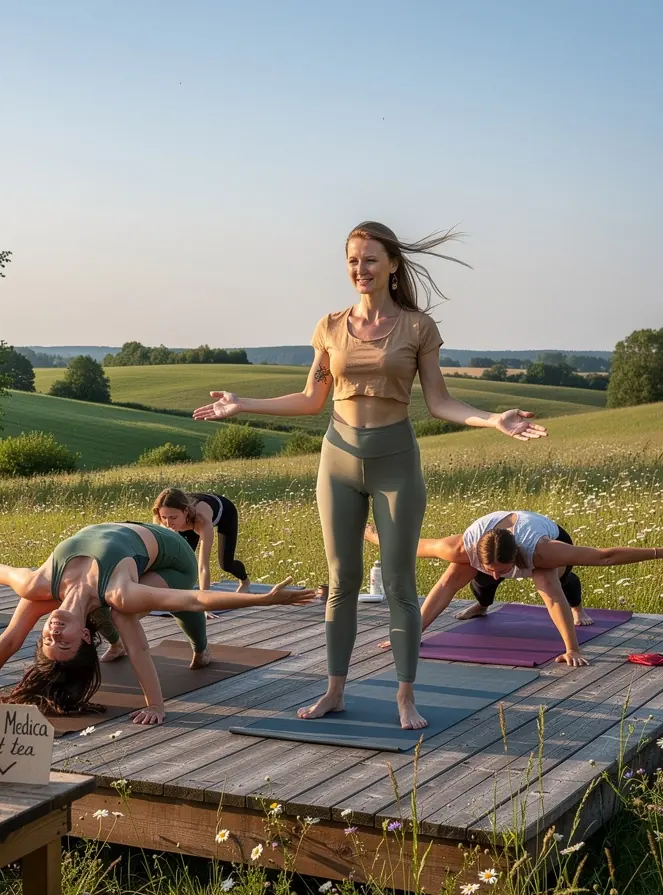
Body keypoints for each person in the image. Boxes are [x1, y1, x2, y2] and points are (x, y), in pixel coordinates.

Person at [193, 221, 547, 729]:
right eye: (353, 261)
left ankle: (405, 696)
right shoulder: (330, 326)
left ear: (392, 265)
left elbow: (440, 401)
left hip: (395, 463)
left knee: (400, 583)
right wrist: (243, 403)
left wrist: (493, 419)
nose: (360, 269)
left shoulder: (417, 328)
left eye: (370, 260)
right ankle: (334, 690)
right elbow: (311, 399)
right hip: (336, 461)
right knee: (342, 581)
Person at [0, 521, 314, 725]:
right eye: (63, 643)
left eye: (47, 640)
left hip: (171, 551)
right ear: (84, 635)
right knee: (127, 612)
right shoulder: (119, 593)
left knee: (130, 611)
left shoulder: (38, 587)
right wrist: (155, 705)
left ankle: (201, 649)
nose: (53, 633)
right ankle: (180, 647)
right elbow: (192, 600)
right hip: (159, 560)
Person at [365, 515, 663, 666]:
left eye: (503, 570)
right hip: (491, 546)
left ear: (516, 559)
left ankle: (577, 607)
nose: (497, 574)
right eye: (491, 568)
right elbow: (407, 547)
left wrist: (662, 552)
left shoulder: (541, 552)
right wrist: (370, 535)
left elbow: (604, 556)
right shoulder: (460, 548)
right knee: (457, 578)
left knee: (553, 584)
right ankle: (480, 605)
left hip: (546, 539)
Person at [152, 488, 252, 592]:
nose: (168, 523)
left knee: (226, 564)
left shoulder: (201, 520)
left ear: (185, 511)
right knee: (182, 560)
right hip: (187, 520)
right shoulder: (160, 520)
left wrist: (204, 598)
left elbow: (203, 566)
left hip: (225, 514)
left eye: (173, 518)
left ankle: (245, 581)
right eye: (164, 517)